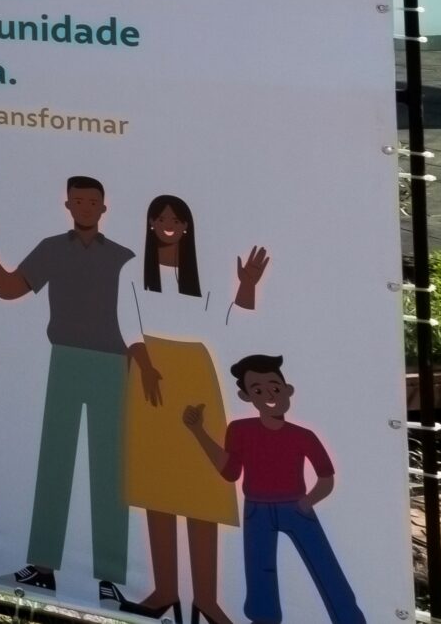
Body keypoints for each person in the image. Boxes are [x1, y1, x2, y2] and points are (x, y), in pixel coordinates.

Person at [0, 177, 140, 608]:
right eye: (78, 201)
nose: (86, 207)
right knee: (55, 459)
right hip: (66, 360)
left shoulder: (123, 258)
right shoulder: (52, 248)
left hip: (114, 366)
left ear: (104, 208)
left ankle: (110, 580)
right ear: (67, 204)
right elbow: (9, 288)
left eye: (93, 202)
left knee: (110, 470)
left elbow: (145, 316)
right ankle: (42, 568)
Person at [119, 196, 271, 624]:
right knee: (157, 489)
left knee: (201, 488)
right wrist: (146, 367)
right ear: (150, 224)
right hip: (149, 378)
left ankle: (206, 598)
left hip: (195, 376)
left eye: (176, 219)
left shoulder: (200, 276)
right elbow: (125, 322)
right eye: (161, 218)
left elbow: (229, 324)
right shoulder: (134, 270)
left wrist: (247, 284)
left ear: (186, 226)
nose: (168, 225)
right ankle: (164, 590)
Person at [181, 357, 363, 624]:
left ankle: (349, 618)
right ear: (245, 396)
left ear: (287, 390)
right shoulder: (240, 430)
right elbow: (230, 471)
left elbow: (326, 478)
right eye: (257, 390)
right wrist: (198, 432)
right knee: (259, 574)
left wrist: (307, 502)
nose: (268, 395)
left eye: (274, 387)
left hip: (296, 507)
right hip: (257, 509)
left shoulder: (302, 436)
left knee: (325, 566)